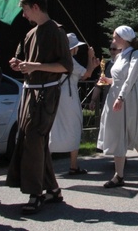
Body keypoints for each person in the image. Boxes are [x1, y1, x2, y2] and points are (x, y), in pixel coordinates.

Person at [7, 0, 73, 214]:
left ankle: (36, 193)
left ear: (35, 7)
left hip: (46, 94)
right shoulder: (29, 34)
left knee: (34, 139)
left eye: (25, 10)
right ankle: (52, 189)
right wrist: (18, 63)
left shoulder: (56, 32)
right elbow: (25, 60)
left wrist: (35, 66)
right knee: (32, 140)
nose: (23, 15)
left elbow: (65, 66)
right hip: (29, 93)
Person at [97, 25, 138, 188]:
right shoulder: (120, 56)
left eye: (115, 37)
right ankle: (119, 175)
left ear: (124, 38)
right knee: (116, 134)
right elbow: (119, 79)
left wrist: (121, 97)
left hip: (131, 97)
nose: (113, 41)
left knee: (135, 135)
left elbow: (130, 79)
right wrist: (109, 81)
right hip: (116, 95)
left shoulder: (137, 55)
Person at [50, 33, 99, 175]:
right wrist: (90, 57)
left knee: (55, 128)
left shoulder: (58, 59)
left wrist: (91, 64)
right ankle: (73, 165)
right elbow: (87, 74)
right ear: (73, 48)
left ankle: (48, 166)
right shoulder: (70, 60)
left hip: (56, 96)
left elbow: (83, 75)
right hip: (69, 98)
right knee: (74, 126)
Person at [88, 41, 121, 111]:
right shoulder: (106, 65)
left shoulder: (124, 64)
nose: (112, 51)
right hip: (107, 102)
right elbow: (99, 84)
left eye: (114, 49)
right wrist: (93, 100)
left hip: (120, 101)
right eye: (110, 49)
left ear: (120, 50)